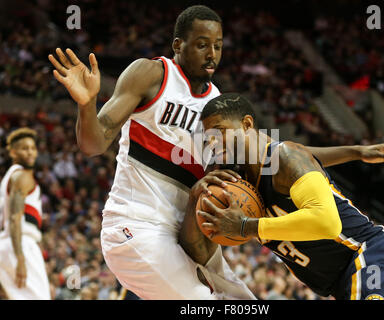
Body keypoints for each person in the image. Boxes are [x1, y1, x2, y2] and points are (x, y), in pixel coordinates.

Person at [49, 5, 255, 300]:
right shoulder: (151, 74)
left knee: (246, 304)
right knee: (201, 302)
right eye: (201, 45)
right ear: (178, 45)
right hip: (135, 227)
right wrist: (87, 104)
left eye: (218, 46)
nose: (212, 54)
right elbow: (93, 145)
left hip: (184, 233)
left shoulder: (217, 103)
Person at [185, 93, 384, 300]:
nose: (214, 143)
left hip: (374, 258)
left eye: (221, 132)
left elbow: (327, 223)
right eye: (209, 138)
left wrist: (247, 226)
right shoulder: (239, 178)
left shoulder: (285, 158)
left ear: (247, 124)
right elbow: (304, 154)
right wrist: (356, 152)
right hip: (342, 283)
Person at [0, 128, 51, 299]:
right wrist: (20, 256)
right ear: (13, 152)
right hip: (19, 243)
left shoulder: (9, 177)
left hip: (9, 244)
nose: (30, 152)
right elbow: (15, 218)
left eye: (33, 148)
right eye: (24, 148)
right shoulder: (22, 176)